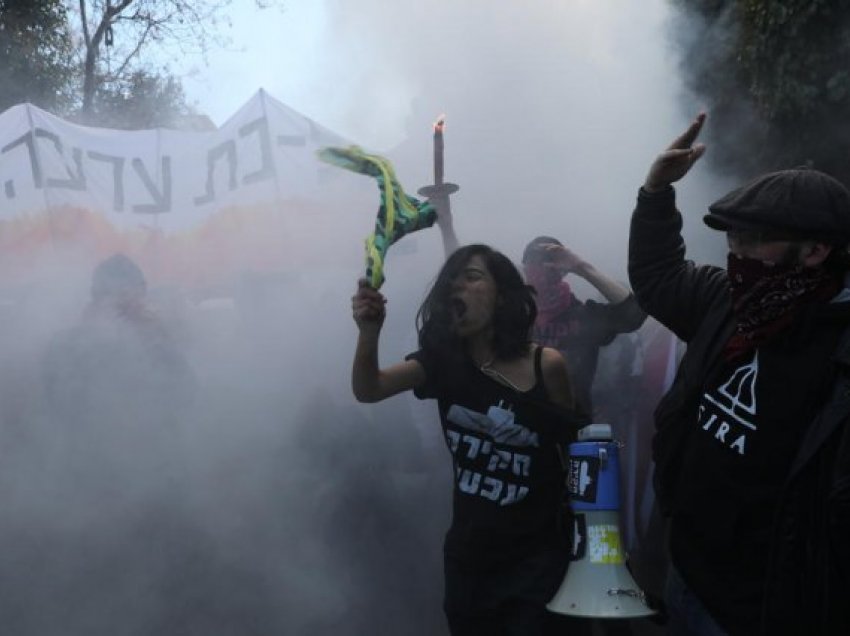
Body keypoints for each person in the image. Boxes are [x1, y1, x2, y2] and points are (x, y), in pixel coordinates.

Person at [629, 112, 850, 635]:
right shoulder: (728, 304)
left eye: (753, 239)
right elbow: (659, 277)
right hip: (682, 574)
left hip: (762, 614)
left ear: (816, 250)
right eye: (733, 237)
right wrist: (655, 192)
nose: (735, 252)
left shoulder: (841, 355)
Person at [351, 243, 588, 635]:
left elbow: (576, 459)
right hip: (470, 561)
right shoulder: (442, 364)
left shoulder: (546, 365)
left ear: (502, 297)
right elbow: (369, 389)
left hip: (538, 561)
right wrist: (369, 332)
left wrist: (593, 551)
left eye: (472, 277)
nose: (456, 288)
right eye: (451, 282)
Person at [522, 236, 646, 416]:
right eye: (533, 261)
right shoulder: (513, 315)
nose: (540, 268)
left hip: (568, 424)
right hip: (513, 423)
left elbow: (633, 315)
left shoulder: (582, 317)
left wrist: (582, 268)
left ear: (562, 270)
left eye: (549, 261)